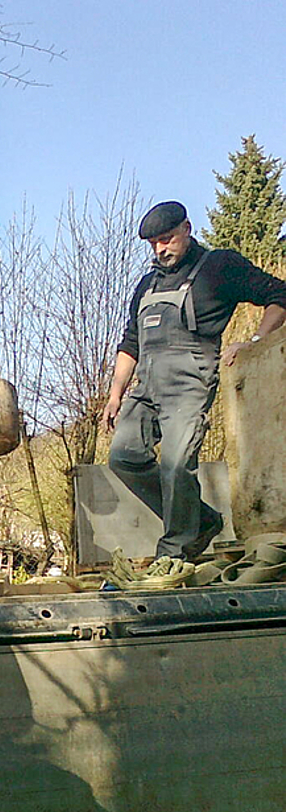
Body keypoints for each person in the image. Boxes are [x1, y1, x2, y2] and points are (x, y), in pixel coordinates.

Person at [103, 201, 286, 560]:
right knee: (124, 458)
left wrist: (253, 343)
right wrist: (114, 395)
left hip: (189, 385)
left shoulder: (219, 266)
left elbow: (279, 295)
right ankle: (201, 521)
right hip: (146, 387)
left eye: (167, 239)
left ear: (187, 228)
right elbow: (130, 343)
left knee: (175, 465)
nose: (161, 249)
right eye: (154, 243)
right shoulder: (147, 284)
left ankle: (174, 551)